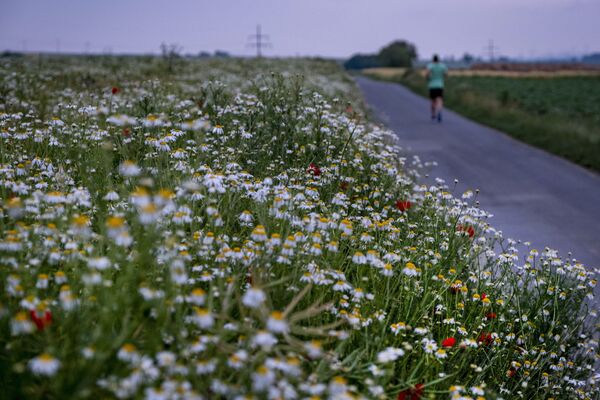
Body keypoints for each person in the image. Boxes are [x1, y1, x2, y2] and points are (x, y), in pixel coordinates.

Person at [426, 54, 448, 122]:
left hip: (432, 86)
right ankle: (439, 111)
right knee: (440, 100)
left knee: (433, 101)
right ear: (438, 59)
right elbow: (446, 75)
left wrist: (428, 78)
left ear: (433, 59)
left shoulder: (430, 66)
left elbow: (427, 74)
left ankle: (433, 114)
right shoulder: (442, 66)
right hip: (440, 85)